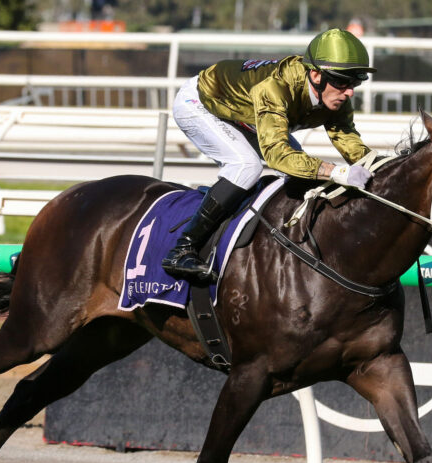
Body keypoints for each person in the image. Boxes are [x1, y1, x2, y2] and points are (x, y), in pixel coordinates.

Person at [162, 28, 377, 283]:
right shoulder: (275, 87)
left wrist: (380, 167)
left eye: (354, 82)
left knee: (302, 172)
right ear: (316, 75)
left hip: (247, 114)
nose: (349, 92)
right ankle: (183, 248)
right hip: (201, 103)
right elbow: (277, 155)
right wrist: (338, 171)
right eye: (342, 81)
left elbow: (349, 141)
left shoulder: (337, 96)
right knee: (246, 166)